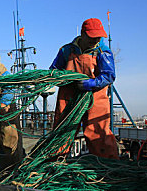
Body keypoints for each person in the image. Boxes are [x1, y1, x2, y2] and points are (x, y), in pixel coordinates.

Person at [50, 18, 119, 159]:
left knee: (98, 133)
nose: (95, 40)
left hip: (95, 97)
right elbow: (54, 71)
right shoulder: (66, 50)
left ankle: (106, 167)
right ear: (82, 34)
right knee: (62, 131)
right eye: (92, 37)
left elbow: (109, 76)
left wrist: (91, 83)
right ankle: (55, 163)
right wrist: (61, 79)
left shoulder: (103, 52)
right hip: (68, 96)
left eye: (98, 37)